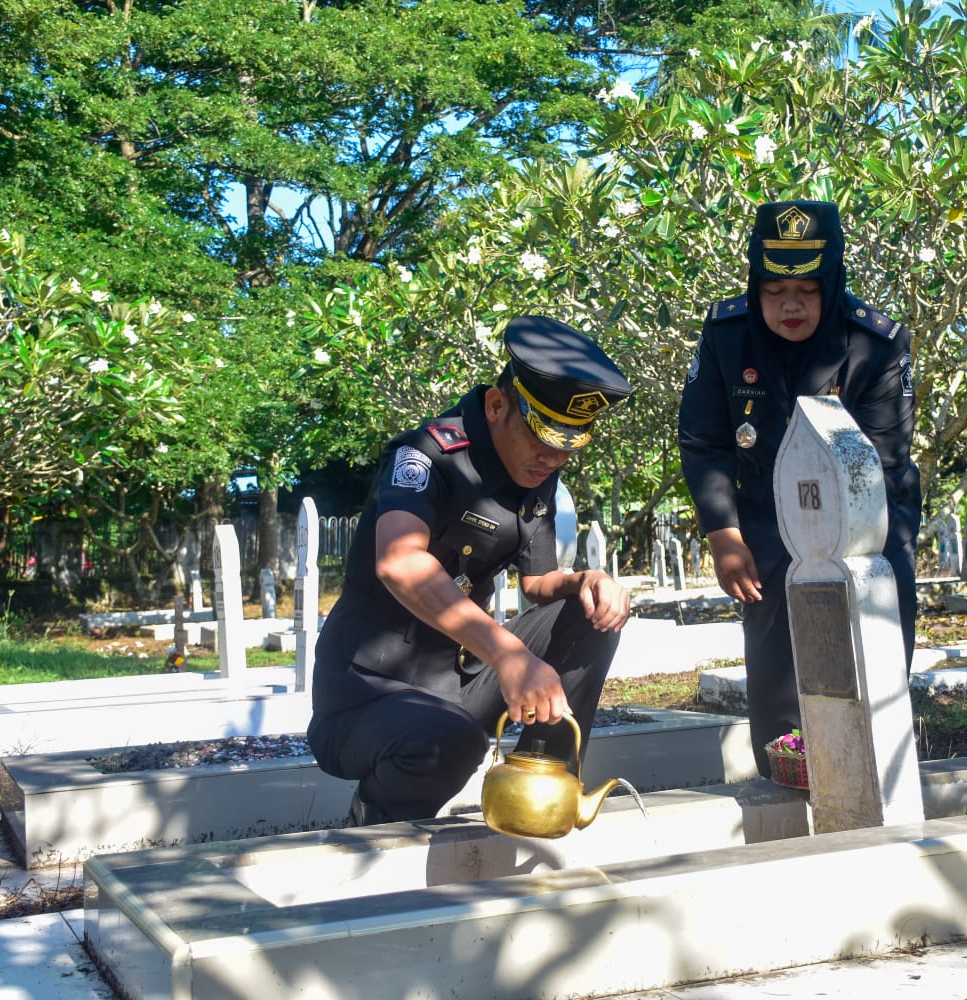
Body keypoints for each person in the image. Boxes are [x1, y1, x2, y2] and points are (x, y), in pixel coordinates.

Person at [308, 315, 635, 825]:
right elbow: (400, 561)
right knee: (452, 739)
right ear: (497, 405)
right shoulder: (426, 456)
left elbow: (537, 584)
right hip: (367, 698)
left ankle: (541, 788)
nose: (552, 460)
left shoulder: (535, 470)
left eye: (566, 449)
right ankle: (372, 818)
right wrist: (508, 655)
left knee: (590, 614)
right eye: (543, 440)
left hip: (459, 683)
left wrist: (588, 582)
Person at [678, 200, 921, 777]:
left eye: (808, 291)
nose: (790, 306)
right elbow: (704, 439)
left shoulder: (876, 343)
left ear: (832, 282)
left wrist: (838, 562)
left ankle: (874, 780)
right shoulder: (727, 335)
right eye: (774, 290)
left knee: (870, 667)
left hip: (871, 520)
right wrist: (724, 533)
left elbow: (883, 461)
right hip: (765, 517)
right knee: (779, 676)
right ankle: (790, 790)